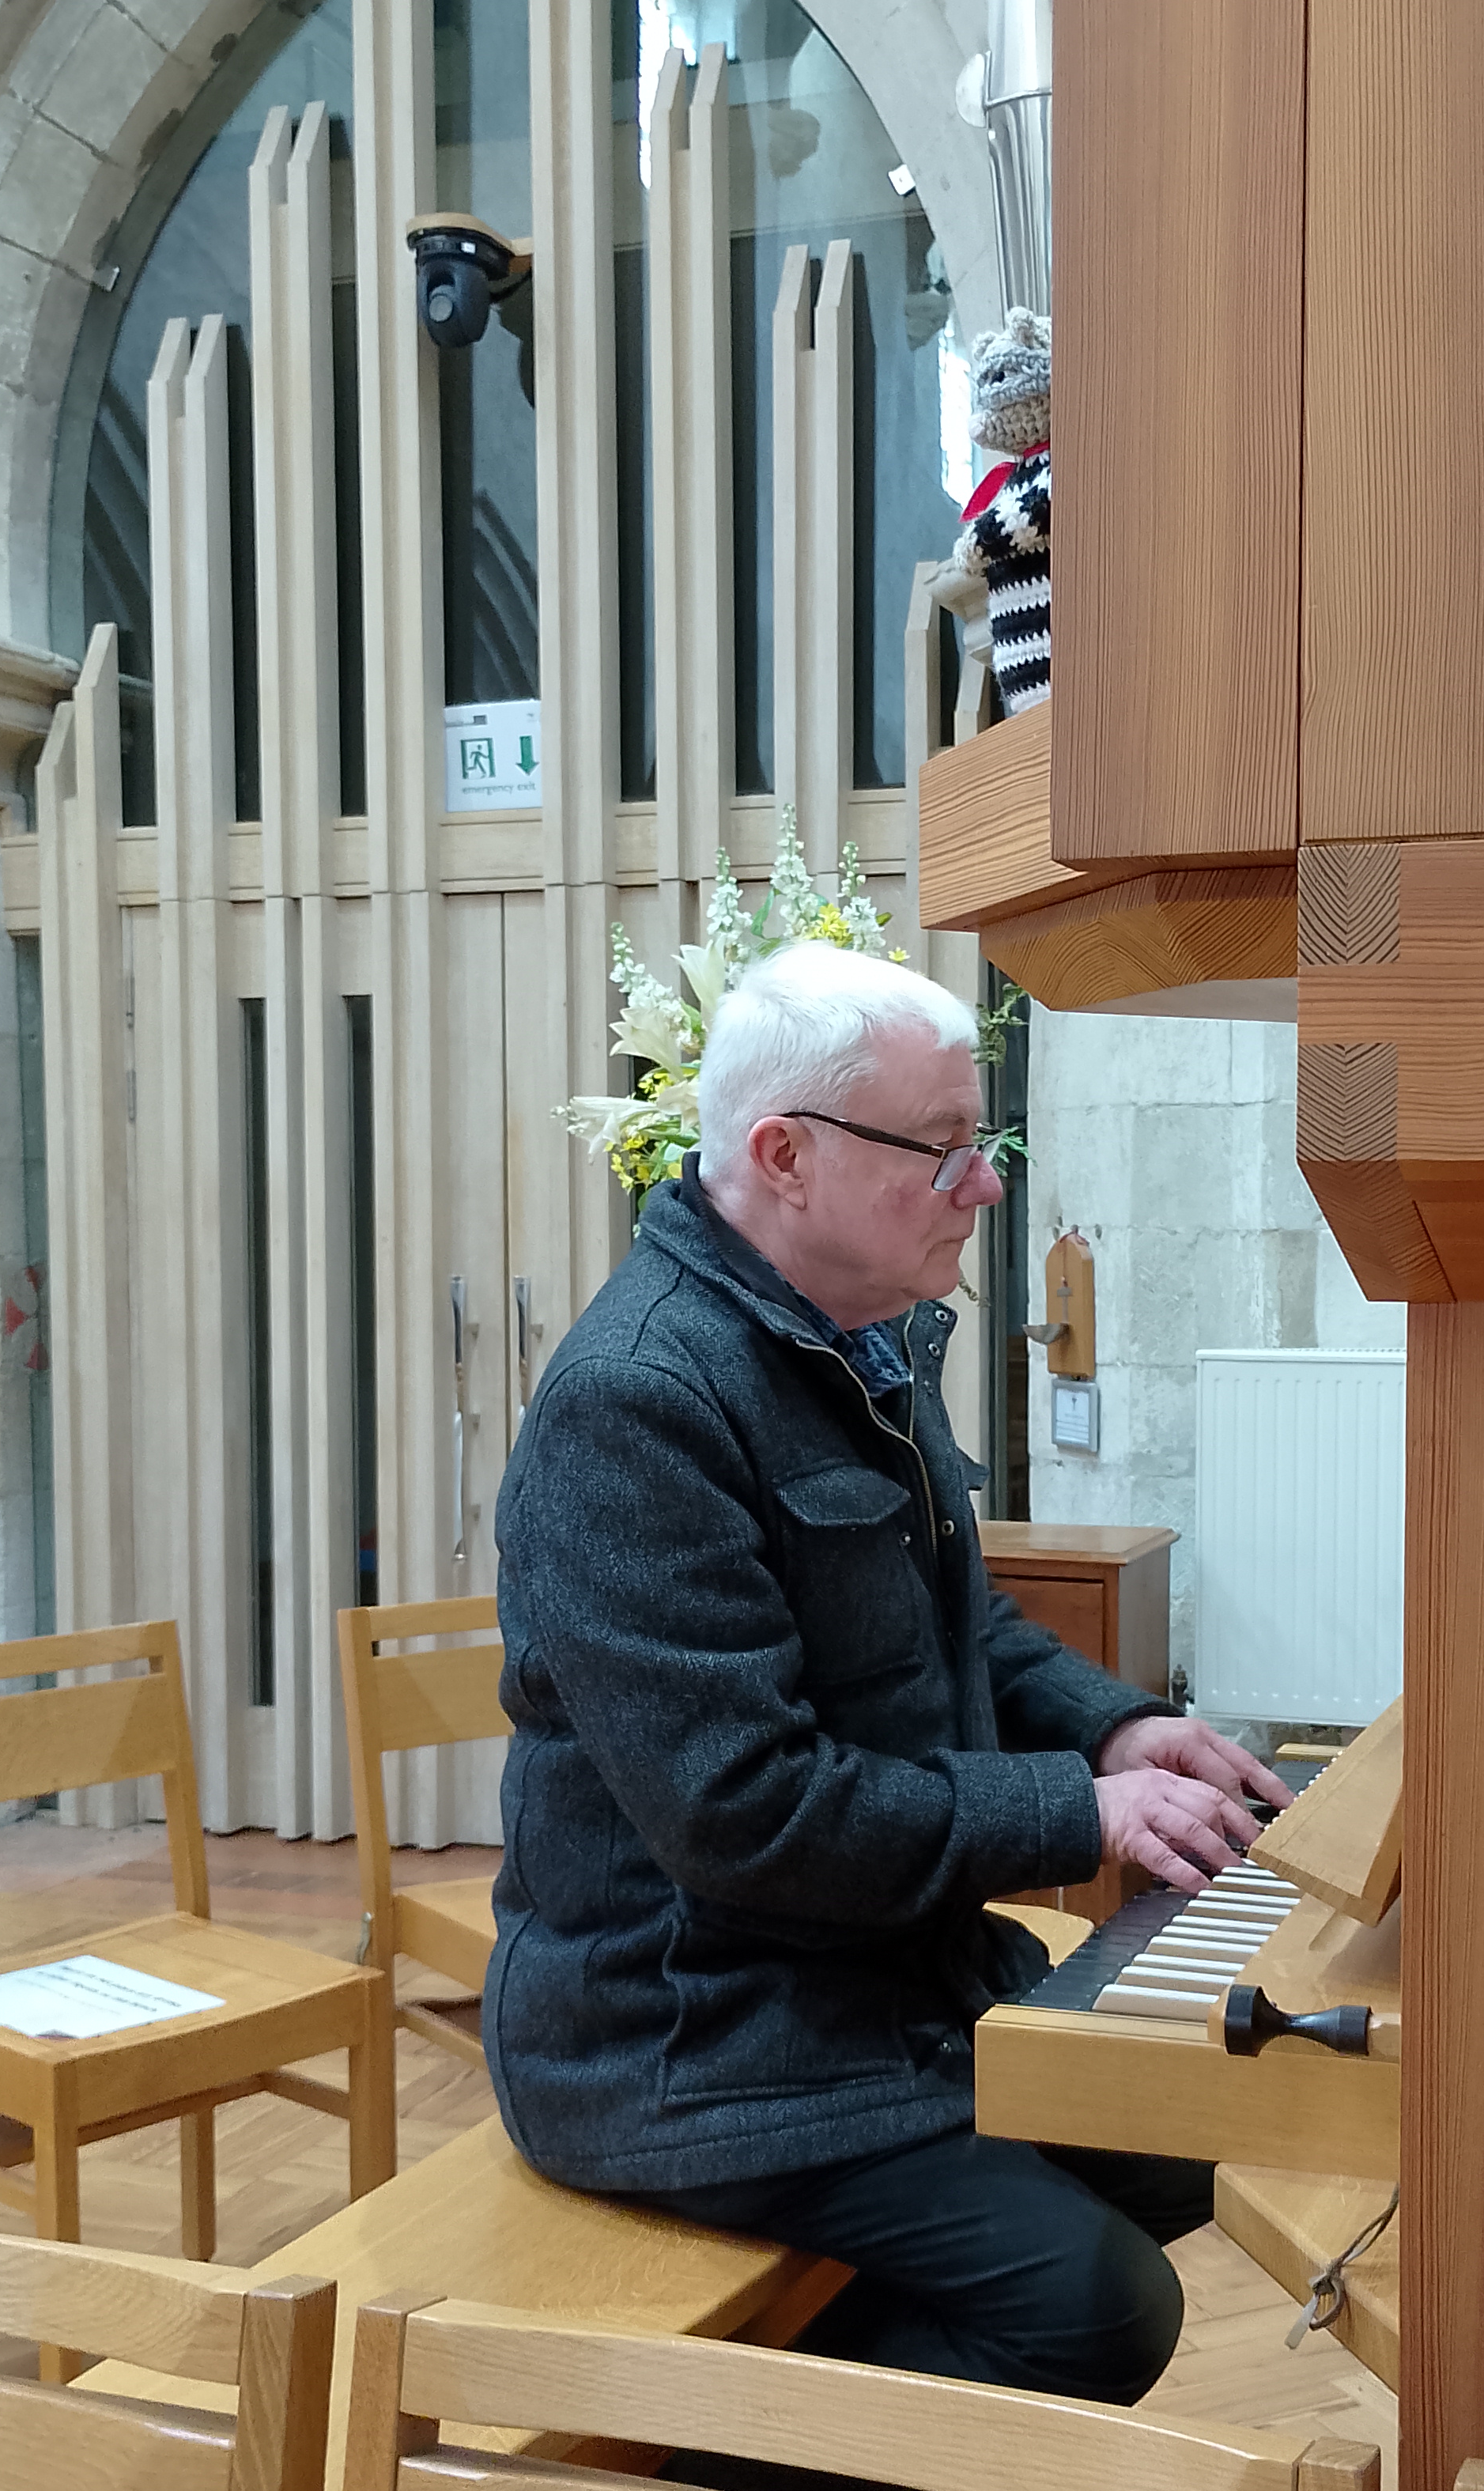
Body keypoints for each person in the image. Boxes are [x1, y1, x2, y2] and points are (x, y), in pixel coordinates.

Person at [485, 939, 1290, 2407]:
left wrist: (1121, 1735)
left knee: (1192, 2140)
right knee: (1098, 2310)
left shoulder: (852, 1346)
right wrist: (1075, 1818)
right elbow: (747, 1812)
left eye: (980, 1145)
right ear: (784, 1155)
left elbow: (959, 1627)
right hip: (693, 2040)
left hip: (876, 1985)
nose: (984, 1186)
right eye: (942, 1150)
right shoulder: (638, 1403)